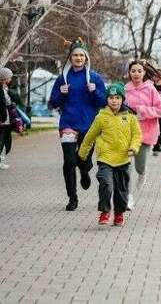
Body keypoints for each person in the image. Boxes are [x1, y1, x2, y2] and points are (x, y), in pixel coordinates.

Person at [49, 38, 107, 211]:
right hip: (68, 123)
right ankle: (72, 198)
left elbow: (104, 102)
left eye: (81, 55)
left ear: (86, 58)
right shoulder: (63, 78)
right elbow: (53, 103)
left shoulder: (95, 78)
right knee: (69, 161)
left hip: (89, 125)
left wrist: (94, 91)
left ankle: (84, 170)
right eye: (75, 55)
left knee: (83, 160)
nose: (78, 58)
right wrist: (61, 94)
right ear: (70, 57)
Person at [78, 83, 142, 226]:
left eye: (117, 97)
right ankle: (105, 211)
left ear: (122, 99)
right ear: (107, 99)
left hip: (123, 159)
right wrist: (82, 153)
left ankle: (119, 214)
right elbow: (89, 136)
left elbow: (137, 135)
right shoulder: (101, 117)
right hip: (105, 158)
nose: (114, 101)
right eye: (111, 98)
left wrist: (133, 148)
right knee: (106, 184)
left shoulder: (130, 117)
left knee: (121, 189)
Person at [124, 60, 161, 210]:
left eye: (139, 71)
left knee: (139, 166)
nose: (136, 74)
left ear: (144, 73)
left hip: (145, 133)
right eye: (133, 71)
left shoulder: (150, 89)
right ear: (129, 73)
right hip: (128, 132)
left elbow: (160, 111)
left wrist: (143, 111)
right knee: (126, 166)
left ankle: (142, 173)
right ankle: (128, 197)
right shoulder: (125, 89)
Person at [0, 67, 25, 170]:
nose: (10, 79)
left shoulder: (6, 89)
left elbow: (13, 101)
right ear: (4, 78)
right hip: (3, 121)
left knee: (5, 142)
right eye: (9, 77)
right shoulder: (2, 90)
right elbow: (5, 104)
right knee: (3, 142)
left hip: (6, 120)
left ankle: (1, 160)